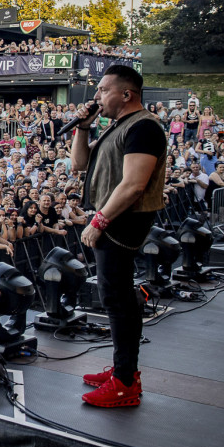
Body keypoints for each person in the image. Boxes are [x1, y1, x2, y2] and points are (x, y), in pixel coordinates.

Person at [71, 64, 167, 408]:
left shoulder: (144, 128)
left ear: (126, 94)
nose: (97, 97)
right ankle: (122, 370)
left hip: (122, 221)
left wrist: (99, 222)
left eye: (103, 90)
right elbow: (79, 165)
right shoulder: (119, 127)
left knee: (117, 299)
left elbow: (133, 184)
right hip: (113, 218)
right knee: (115, 296)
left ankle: (125, 381)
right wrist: (82, 129)